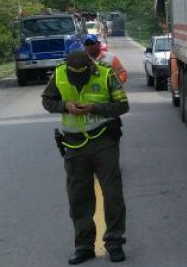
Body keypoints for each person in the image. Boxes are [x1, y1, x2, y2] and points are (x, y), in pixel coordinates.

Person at [43, 50, 130, 264]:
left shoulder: (106, 74)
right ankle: (84, 246)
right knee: (78, 197)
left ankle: (115, 242)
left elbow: (123, 105)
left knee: (112, 193)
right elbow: (47, 100)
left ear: (90, 68)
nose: (78, 80)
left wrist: (95, 108)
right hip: (73, 145)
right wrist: (65, 106)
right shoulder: (60, 74)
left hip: (103, 142)